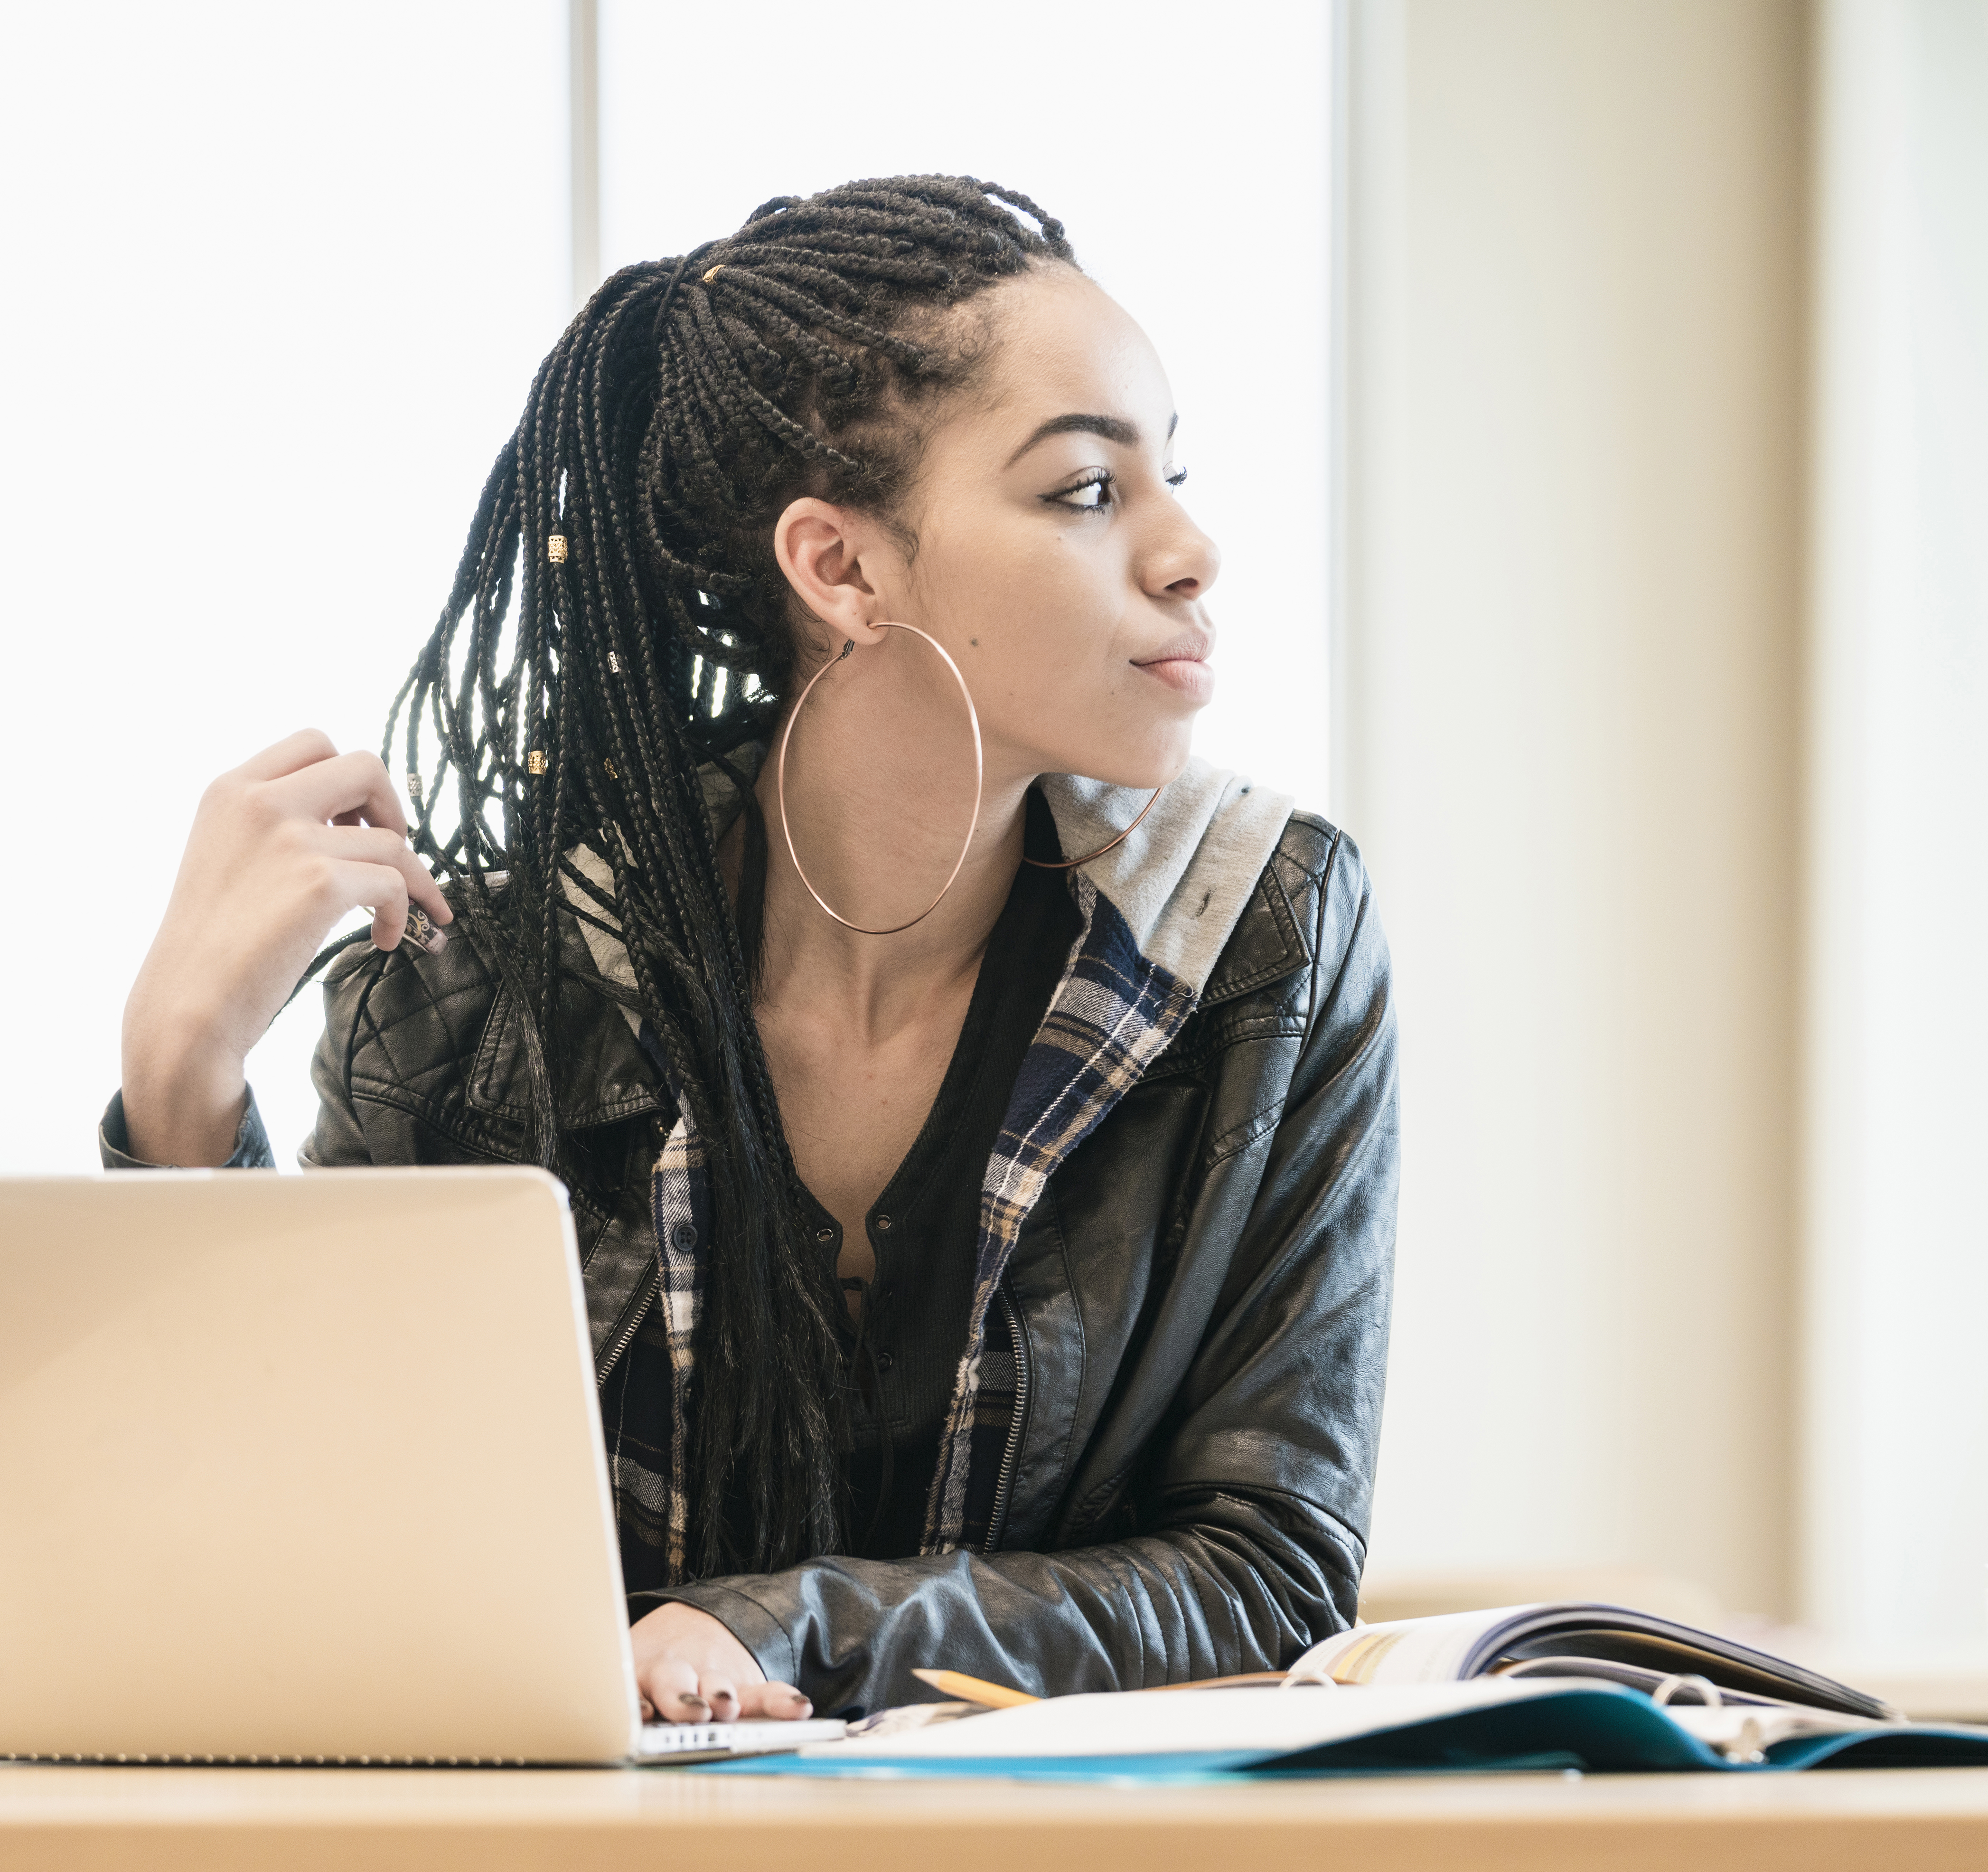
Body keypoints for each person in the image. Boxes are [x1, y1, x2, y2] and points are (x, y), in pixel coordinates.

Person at [110, 177, 1397, 1725]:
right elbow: (305, 1559)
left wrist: (779, 1626)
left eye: (1171, 475)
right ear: (840, 569)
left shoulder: (1268, 940)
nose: (1191, 552)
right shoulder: (482, 988)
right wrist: (180, 1091)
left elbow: (1270, 1570)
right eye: (1085, 492)